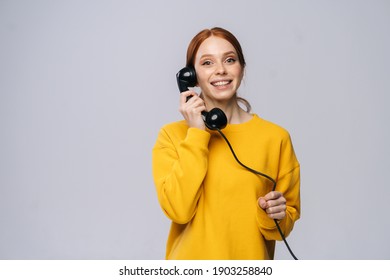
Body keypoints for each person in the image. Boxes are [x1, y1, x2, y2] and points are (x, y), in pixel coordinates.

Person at [152, 27, 300, 260]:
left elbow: (284, 223)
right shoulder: (172, 135)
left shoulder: (276, 138)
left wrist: (275, 215)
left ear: (241, 67)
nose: (220, 70)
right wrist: (197, 134)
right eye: (207, 63)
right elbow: (178, 210)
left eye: (229, 60)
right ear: (191, 76)